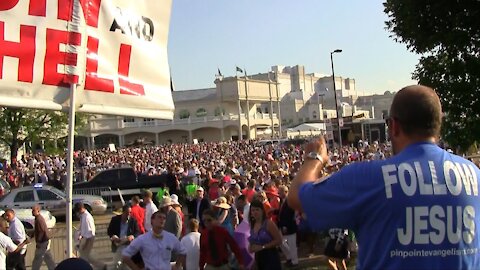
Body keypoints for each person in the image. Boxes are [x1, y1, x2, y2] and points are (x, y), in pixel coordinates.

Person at [288, 85, 480, 269]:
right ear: (438, 126)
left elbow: (297, 196)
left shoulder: (367, 177)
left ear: (394, 126)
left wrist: (315, 158)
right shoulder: (474, 175)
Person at [122, 209, 186, 270]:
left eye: (164, 218)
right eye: (159, 217)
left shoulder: (171, 238)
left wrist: (177, 266)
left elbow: (183, 251)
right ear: (152, 220)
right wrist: (136, 269)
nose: (162, 220)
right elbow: (125, 255)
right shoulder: (143, 239)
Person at [248, 199, 282, 270]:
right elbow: (253, 241)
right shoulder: (252, 225)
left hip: (270, 257)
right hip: (258, 258)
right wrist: (250, 247)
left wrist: (263, 247)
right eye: (253, 210)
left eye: (257, 210)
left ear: (262, 211)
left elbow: (279, 240)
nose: (255, 212)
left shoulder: (268, 223)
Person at [74, 202, 107, 270]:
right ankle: (102, 266)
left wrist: (85, 244)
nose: (77, 213)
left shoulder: (87, 218)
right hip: (85, 238)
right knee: (87, 256)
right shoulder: (83, 216)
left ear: (81, 209)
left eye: (78, 211)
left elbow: (90, 233)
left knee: (83, 258)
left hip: (87, 239)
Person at [107, 205, 141, 270]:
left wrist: (132, 236)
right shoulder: (115, 220)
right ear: (123, 212)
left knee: (128, 267)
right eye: (127, 213)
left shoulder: (133, 221)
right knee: (117, 266)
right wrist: (114, 237)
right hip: (118, 246)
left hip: (128, 247)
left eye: (130, 213)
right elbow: (109, 231)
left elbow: (137, 232)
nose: (128, 215)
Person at [277, 185, 298, 268]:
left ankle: (294, 261)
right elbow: (282, 212)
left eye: (280, 191)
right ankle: (289, 257)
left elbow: (289, 215)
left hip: (290, 226)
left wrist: (285, 225)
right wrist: (275, 211)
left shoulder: (290, 201)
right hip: (283, 225)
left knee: (292, 244)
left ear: (285, 192)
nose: (278, 193)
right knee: (280, 242)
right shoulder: (282, 200)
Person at [31, 205, 56, 270]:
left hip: (43, 241)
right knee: (47, 256)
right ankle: (53, 268)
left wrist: (39, 242)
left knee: (38, 258)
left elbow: (42, 231)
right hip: (44, 241)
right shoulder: (38, 218)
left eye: (34, 210)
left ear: (38, 211)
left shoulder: (39, 219)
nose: (32, 212)